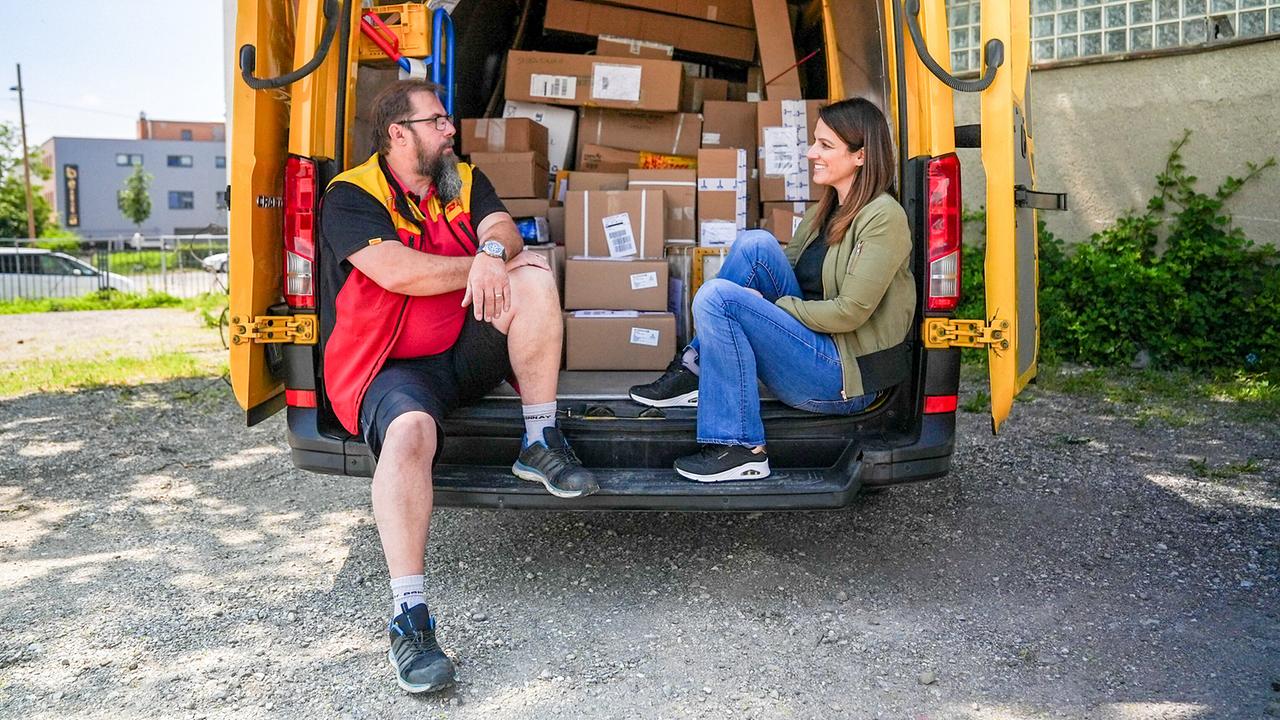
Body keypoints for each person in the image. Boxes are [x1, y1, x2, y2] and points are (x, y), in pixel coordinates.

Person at [318, 79, 598, 694]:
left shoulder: (460, 178)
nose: (451, 130)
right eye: (438, 121)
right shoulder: (351, 194)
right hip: (387, 365)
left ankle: (538, 441)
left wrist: (493, 252)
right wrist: (475, 265)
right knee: (411, 432)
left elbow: (504, 226)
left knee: (531, 272)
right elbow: (396, 272)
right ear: (399, 133)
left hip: (460, 352)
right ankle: (409, 618)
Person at [629, 97, 915, 483]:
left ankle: (742, 448)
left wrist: (777, 308)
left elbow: (850, 311)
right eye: (815, 141)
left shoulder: (883, 217)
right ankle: (696, 367)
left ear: (861, 156)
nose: (812, 152)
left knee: (717, 298)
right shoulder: (823, 212)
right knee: (756, 244)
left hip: (841, 377)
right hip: (811, 344)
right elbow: (782, 272)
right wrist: (771, 308)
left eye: (825, 146)